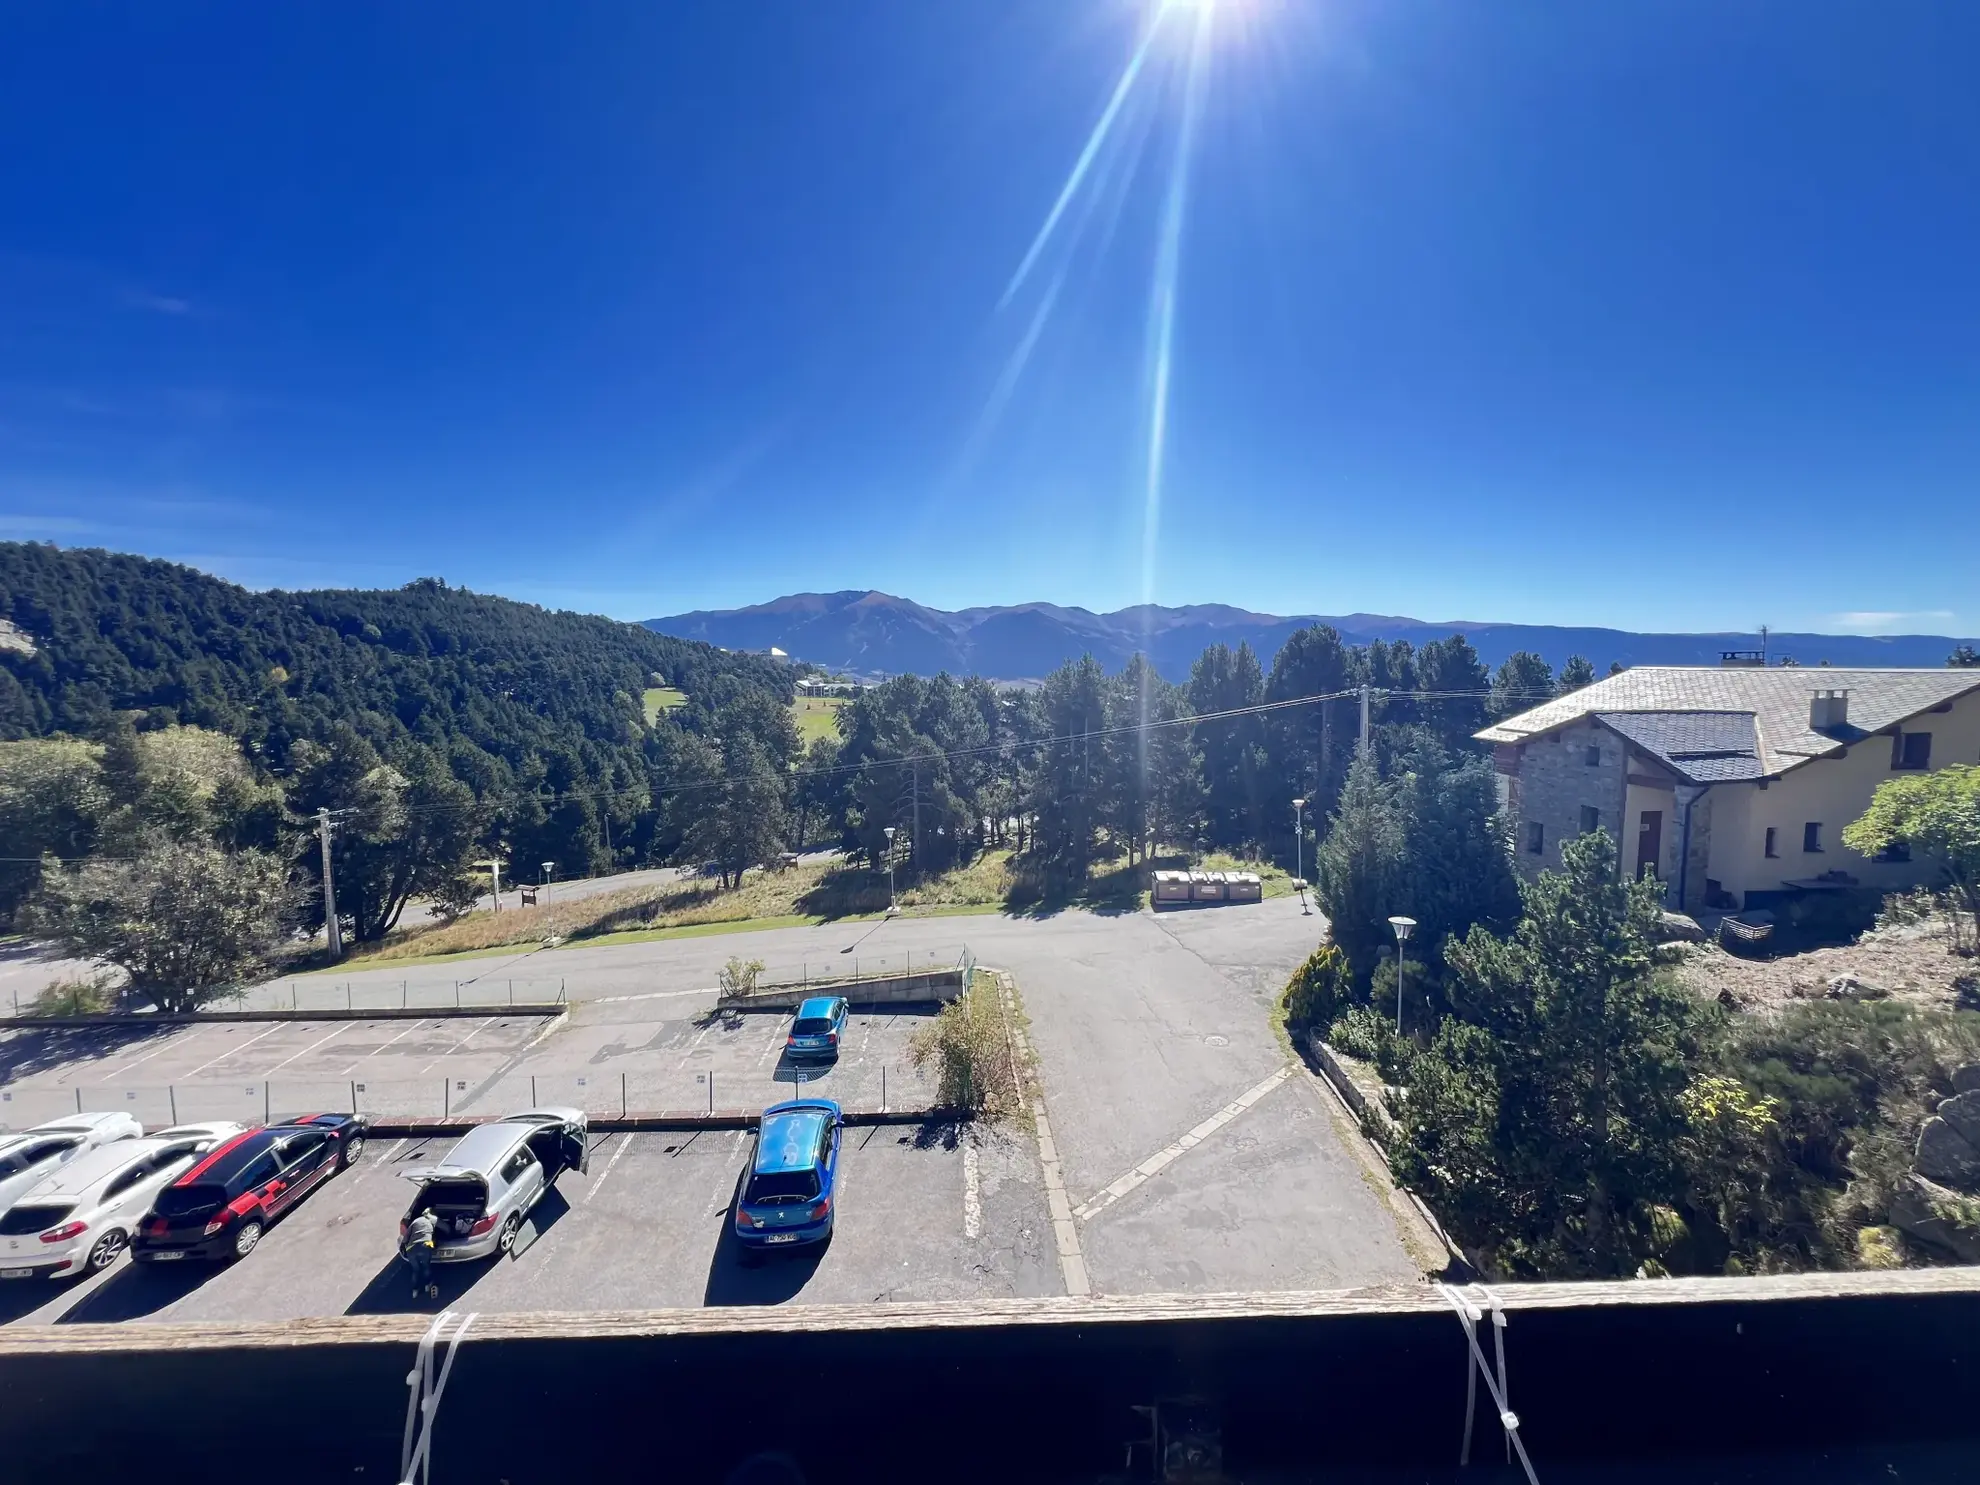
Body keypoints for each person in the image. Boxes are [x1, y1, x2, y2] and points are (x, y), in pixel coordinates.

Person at [403, 1209, 438, 1299]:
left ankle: (415, 1290)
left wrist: (405, 1245)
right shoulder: (433, 1220)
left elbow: (406, 1237)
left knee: (415, 1269)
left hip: (411, 1248)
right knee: (426, 1266)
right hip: (425, 1245)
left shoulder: (415, 1221)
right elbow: (436, 1234)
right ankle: (427, 1285)